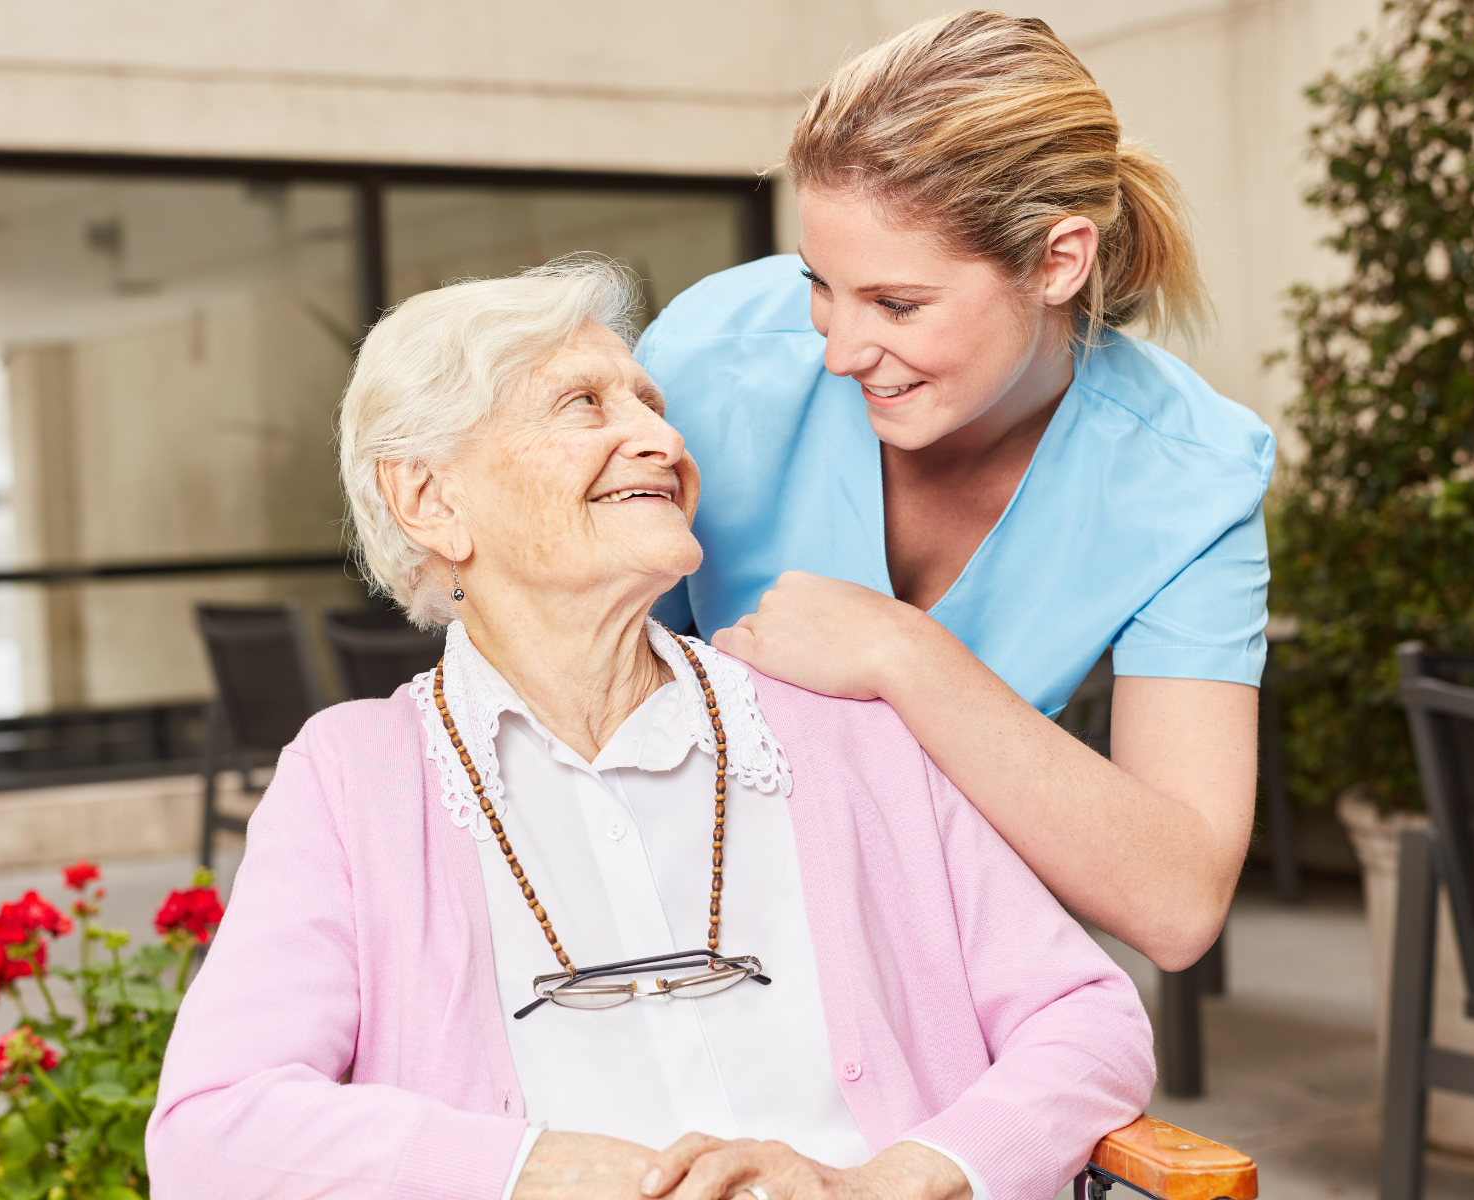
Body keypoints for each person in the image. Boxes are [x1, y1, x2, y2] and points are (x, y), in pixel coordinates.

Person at [145, 259, 1153, 1200]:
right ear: (432, 498)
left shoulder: (845, 733)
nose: (660, 441)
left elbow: (1086, 1019)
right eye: (583, 404)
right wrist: (537, 1171)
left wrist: (899, 1176)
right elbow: (211, 1127)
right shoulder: (352, 779)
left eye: (652, 406)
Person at [635, 11, 1275, 972]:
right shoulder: (710, 358)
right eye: (820, 283)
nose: (841, 352)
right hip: (675, 923)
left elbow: (1179, 900)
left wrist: (904, 653)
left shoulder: (1192, 478)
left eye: (898, 304)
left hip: (939, 954)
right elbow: (578, 682)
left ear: (1059, 261)